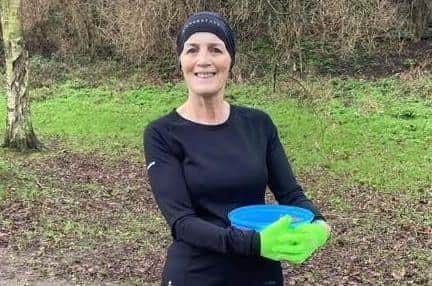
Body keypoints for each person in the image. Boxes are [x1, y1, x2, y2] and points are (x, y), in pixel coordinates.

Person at [143, 11, 331, 286]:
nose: (204, 60)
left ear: (230, 60)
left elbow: (291, 194)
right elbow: (182, 222)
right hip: (196, 275)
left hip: (260, 274)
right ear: (181, 60)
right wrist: (255, 243)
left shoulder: (258, 124)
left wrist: (318, 226)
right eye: (192, 49)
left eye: (216, 49)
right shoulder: (162, 134)